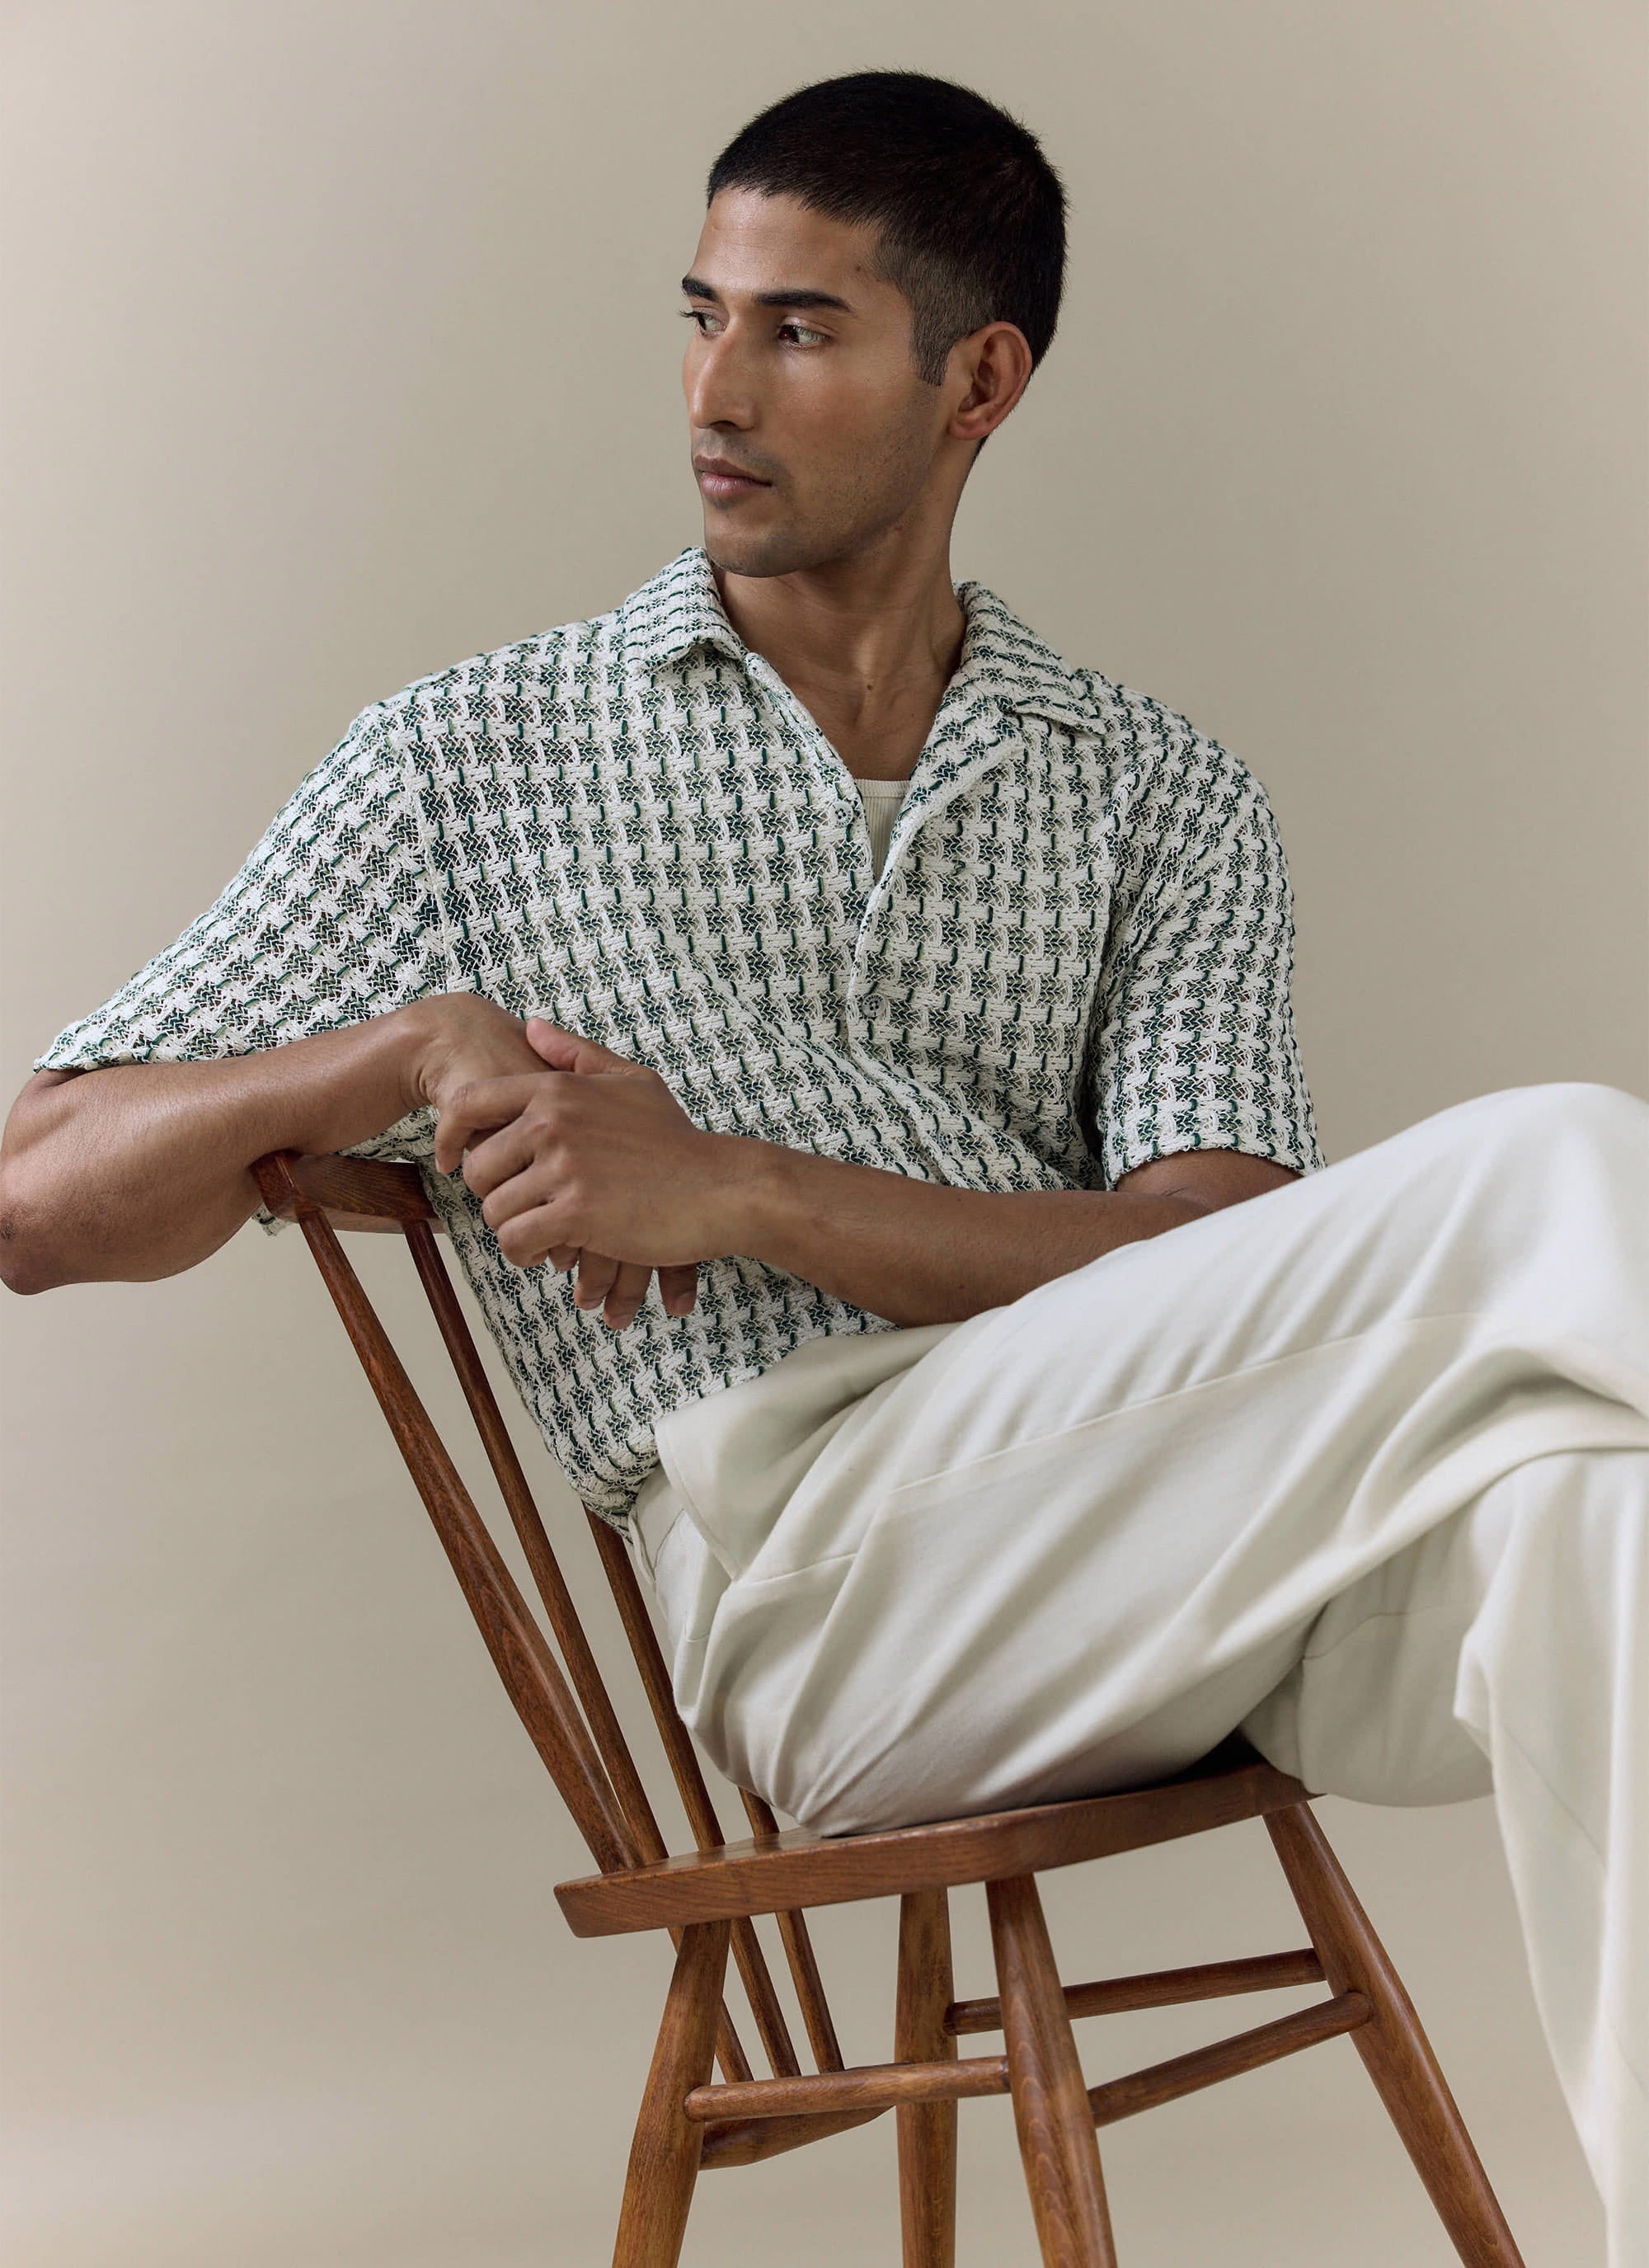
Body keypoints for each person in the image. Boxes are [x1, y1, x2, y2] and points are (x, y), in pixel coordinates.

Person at [1, 68, 1642, 2259]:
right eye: (702, 314)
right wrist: (394, 1043)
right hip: (828, 1593)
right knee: (1566, 1168)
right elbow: (33, 1186)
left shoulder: (1156, 794)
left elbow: (1230, 1258)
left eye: (796, 329)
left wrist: (742, 1191)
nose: (713, 387)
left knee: (1597, 1517)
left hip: (1172, 1559)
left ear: (979, 379)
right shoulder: (477, 762)